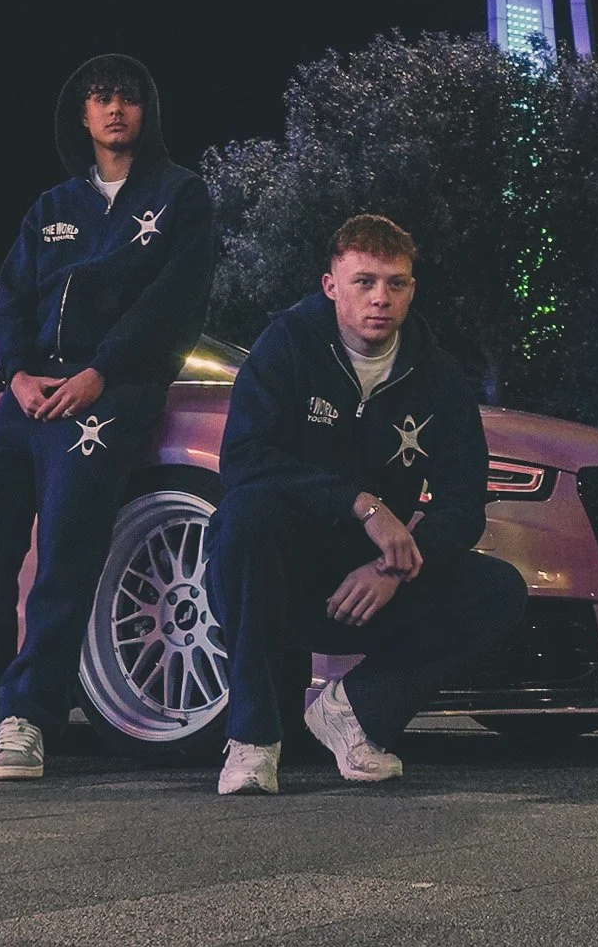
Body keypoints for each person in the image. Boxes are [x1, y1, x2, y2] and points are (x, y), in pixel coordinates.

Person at [0, 55, 215, 781]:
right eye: (101, 98)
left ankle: (30, 716)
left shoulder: (180, 196)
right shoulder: (52, 207)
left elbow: (175, 302)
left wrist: (102, 371)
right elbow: (11, 296)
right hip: (29, 397)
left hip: (110, 395)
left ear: (147, 111)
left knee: (67, 552)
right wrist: (14, 372)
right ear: (82, 114)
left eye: (128, 98)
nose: (115, 109)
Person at [205, 213, 526, 794]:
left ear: (412, 289)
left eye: (396, 283)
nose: (381, 298)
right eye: (364, 282)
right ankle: (252, 738)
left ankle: (354, 713)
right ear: (332, 285)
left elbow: (462, 505)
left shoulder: (438, 376)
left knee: (498, 589)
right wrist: (362, 505)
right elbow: (245, 460)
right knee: (243, 516)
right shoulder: (287, 346)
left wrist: (393, 568)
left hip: (372, 585)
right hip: (284, 579)